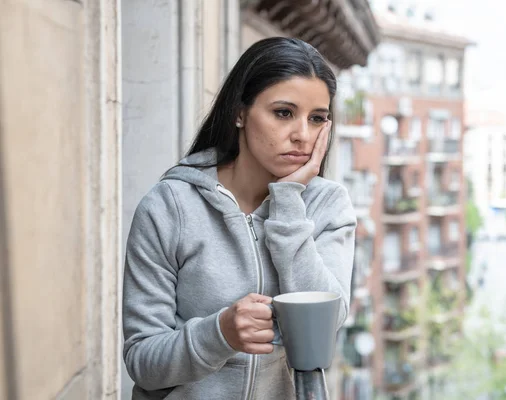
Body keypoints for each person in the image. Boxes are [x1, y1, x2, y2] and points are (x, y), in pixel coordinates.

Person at [122, 37, 357, 399]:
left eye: (317, 119)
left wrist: (289, 202)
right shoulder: (169, 207)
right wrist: (220, 334)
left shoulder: (328, 205)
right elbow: (143, 362)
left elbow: (326, 323)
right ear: (240, 112)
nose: (302, 135)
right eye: (283, 113)